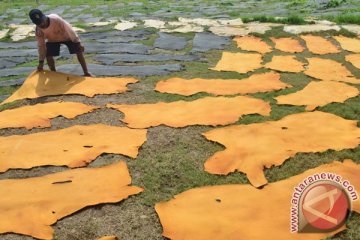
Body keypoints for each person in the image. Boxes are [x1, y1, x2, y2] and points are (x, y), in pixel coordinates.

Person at [29, 9, 93, 76]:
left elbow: (69, 30)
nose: (42, 24)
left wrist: (78, 42)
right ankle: (54, 73)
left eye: (42, 21)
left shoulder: (56, 19)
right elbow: (41, 46)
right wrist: (41, 62)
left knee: (78, 50)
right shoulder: (38, 31)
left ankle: (86, 72)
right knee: (48, 54)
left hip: (67, 36)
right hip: (52, 39)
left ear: (44, 17)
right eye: (38, 24)